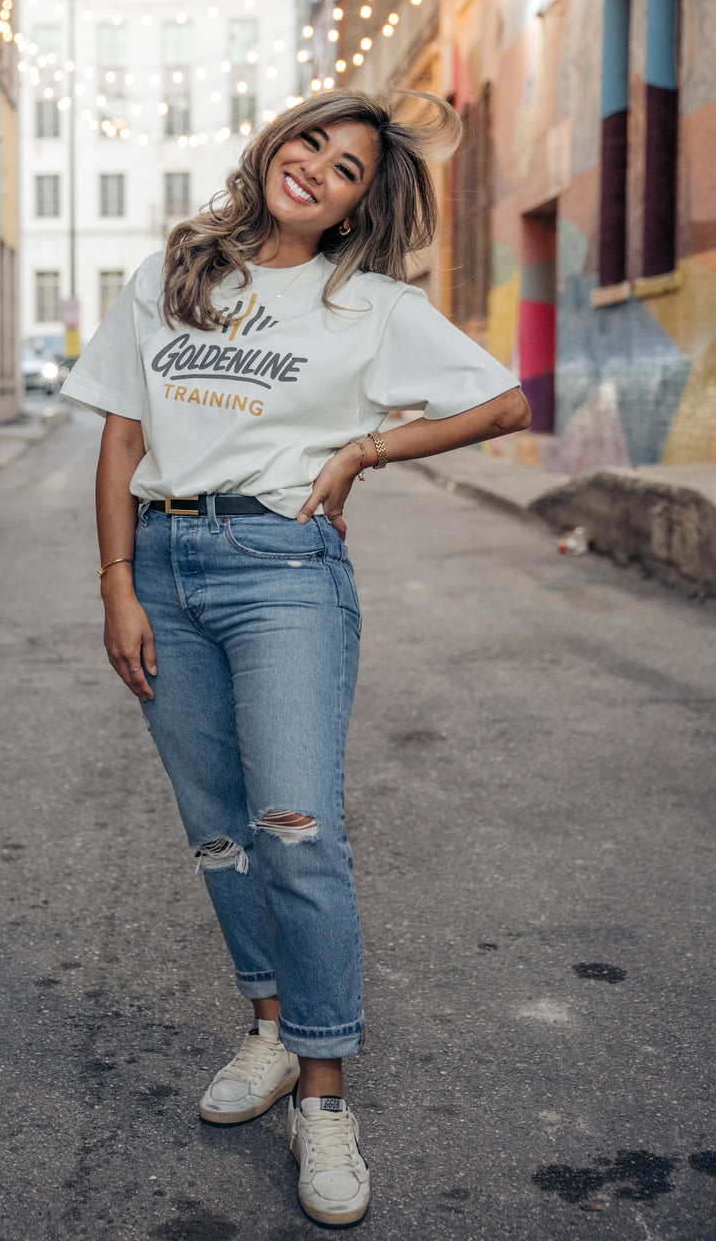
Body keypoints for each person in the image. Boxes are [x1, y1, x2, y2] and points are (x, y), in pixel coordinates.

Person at [62, 88, 530, 1227]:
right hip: (165, 562)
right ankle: (269, 1028)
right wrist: (118, 585)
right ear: (275, 146)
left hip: (282, 571)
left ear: (365, 203)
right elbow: (123, 432)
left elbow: (505, 404)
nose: (319, 166)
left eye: (351, 168)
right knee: (217, 827)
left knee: (296, 827)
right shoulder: (175, 271)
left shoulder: (366, 305)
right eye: (310, 141)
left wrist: (366, 447)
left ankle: (322, 1094)